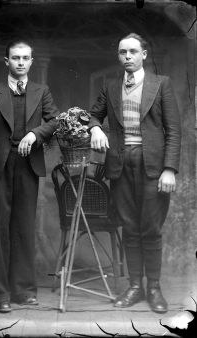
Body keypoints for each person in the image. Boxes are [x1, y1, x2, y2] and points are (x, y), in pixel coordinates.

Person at [89, 33, 181, 313]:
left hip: (152, 165)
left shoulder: (161, 84)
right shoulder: (111, 86)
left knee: (150, 228)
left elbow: (173, 130)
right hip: (119, 163)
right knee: (129, 227)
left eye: (132, 52)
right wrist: (94, 127)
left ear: (144, 54)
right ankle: (134, 286)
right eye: (122, 52)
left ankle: (153, 287)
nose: (127, 57)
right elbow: (93, 115)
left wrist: (169, 169)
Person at [0, 39, 59, 313]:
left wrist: (34, 134)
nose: (21, 62)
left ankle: (23, 291)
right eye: (15, 58)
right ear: (6, 61)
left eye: (25, 58)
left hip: (27, 166)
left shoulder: (41, 91)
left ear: (31, 62)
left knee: (23, 228)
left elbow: (54, 121)